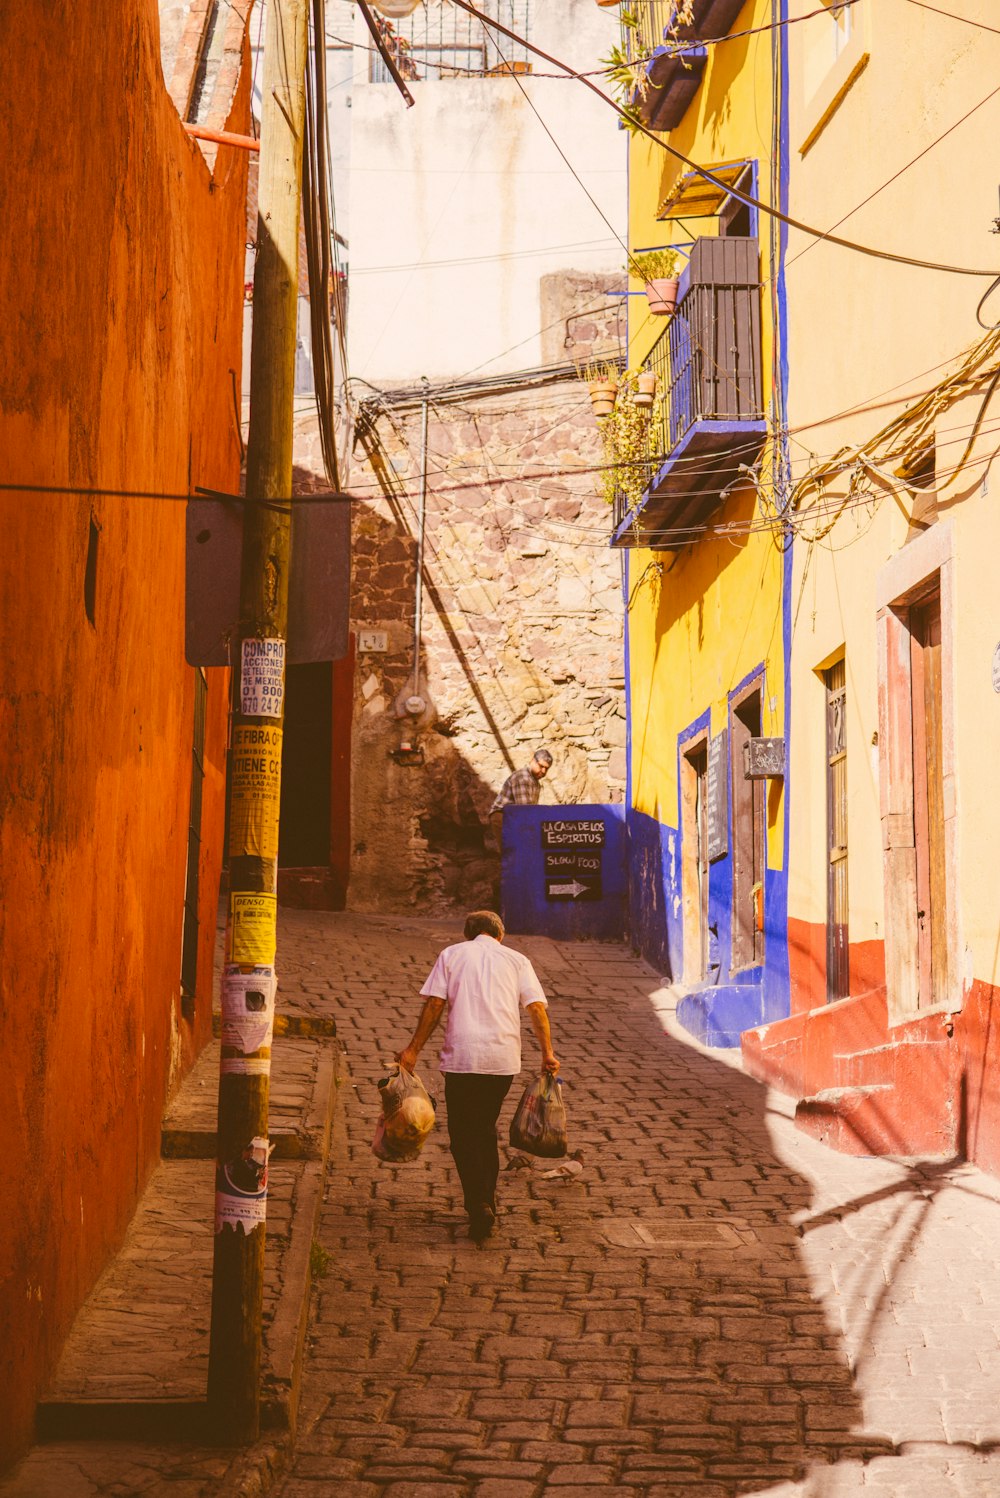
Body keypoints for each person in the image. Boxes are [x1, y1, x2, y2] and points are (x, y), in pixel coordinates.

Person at [397, 909, 559, 1243]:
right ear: (500, 934)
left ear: (469, 933)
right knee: (485, 1128)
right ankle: (486, 1198)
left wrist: (413, 1049)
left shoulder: (451, 955)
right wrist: (547, 1054)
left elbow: (434, 1006)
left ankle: (478, 1203)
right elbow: (537, 1009)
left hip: (462, 1059)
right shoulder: (517, 960)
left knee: (462, 1135)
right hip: (502, 1062)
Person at [489, 747, 553, 847]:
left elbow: (531, 810)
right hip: (502, 816)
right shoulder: (523, 777)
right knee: (511, 853)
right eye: (541, 766)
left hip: (515, 817)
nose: (544, 771)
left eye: (547, 768)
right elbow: (525, 810)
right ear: (533, 761)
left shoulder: (535, 783)